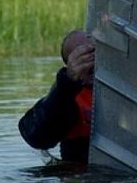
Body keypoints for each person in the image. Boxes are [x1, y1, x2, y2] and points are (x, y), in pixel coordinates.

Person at [18, 30, 96, 164]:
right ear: (69, 65)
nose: (89, 61)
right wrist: (68, 82)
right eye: (80, 57)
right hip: (82, 177)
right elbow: (36, 136)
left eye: (92, 52)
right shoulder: (66, 99)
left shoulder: (134, 89)